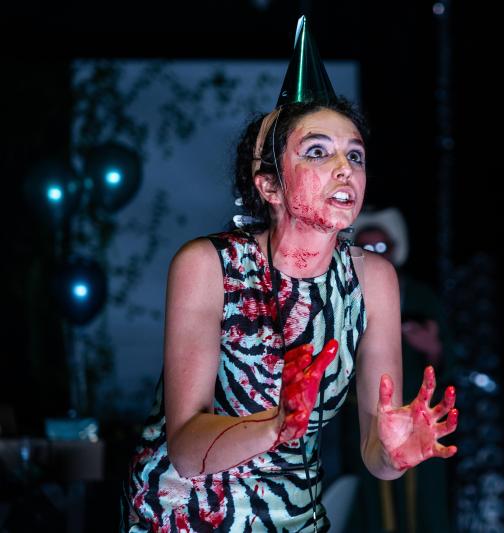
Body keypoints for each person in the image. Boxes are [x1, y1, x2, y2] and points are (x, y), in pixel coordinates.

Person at [122, 17, 458, 532]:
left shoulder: (373, 280)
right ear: (270, 186)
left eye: (355, 155)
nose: (345, 168)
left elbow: (376, 452)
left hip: (295, 514)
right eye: (318, 152)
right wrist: (276, 424)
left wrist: (394, 453)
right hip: (185, 514)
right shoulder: (209, 265)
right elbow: (187, 450)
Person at [341, 207, 453, 533]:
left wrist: (432, 348)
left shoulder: (420, 296)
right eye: (366, 248)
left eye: (381, 247)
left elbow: (449, 356)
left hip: (416, 416)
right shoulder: (343, 298)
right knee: (371, 503)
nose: (375, 255)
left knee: (423, 502)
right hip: (364, 418)